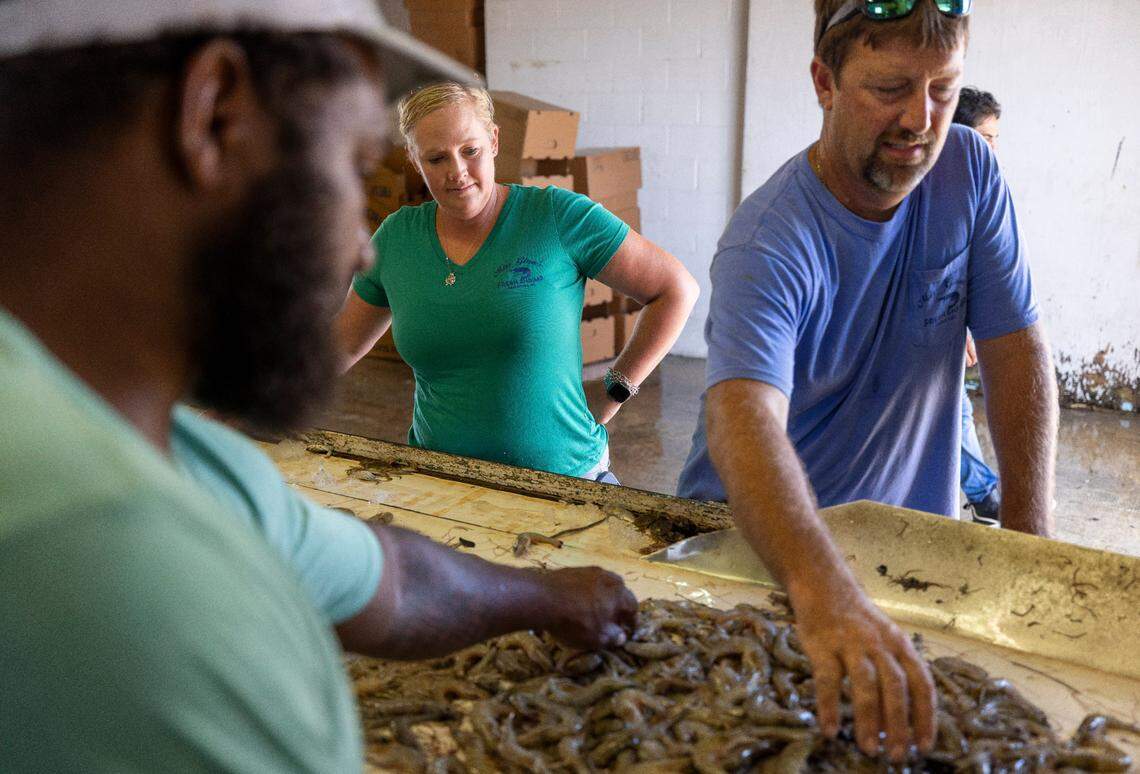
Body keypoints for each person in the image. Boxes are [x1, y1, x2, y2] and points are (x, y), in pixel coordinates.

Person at [0, 3, 636, 771]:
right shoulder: (94, 538)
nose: (358, 248)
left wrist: (545, 596)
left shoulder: (182, 455)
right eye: (347, 161)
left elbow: (392, 577)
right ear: (215, 114)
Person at [677, 0, 1057, 763]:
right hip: (764, 561)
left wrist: (1032, 550)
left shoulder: (968, 172)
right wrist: (822, 594)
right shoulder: (770, 241)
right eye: (889, 89)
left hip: (910, 557)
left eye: (942, 89)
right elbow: (742, 419)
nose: (921, 119)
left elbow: (1016, 352)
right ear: (824, 80)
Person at [334, 82, 700, 482]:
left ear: (493, 141)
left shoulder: (556, 217)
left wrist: (617, 388)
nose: (457, 172)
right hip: (438, 484)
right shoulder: (398, 238)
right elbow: (341, 345)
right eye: (436, 158)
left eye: (469, 151)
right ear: (414, 160)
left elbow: (676, 289)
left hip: (566, 481)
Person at [953, 87, 1004, 525]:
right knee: (951, 408)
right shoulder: (939, 189)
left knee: (954, 407)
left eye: (995, 140)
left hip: (947, 326)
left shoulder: (981, 190)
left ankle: (985, 495)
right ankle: (985, 496)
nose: (992, 150)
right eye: (984, 138)